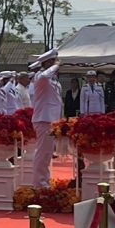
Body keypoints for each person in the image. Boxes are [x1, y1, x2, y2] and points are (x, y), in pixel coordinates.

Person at [30, 49, 63, 189]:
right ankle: (39, 183)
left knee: (47, 154)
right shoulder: (40, 76)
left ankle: (44, 181)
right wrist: (56, 66)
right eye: (54, 61)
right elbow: (44, 76)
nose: (57, 65)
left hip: (51, 119)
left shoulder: (52, 80)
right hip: (43, 118)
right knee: (42, 153)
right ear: (48, 63)